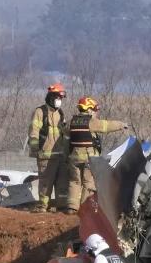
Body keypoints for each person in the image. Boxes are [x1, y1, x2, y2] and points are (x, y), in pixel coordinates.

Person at [64, 96, 127, 213]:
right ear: (88, 109)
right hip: (88, 158)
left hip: (74, 158)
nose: (95, 113)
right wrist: (121, 125)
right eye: (94, 110)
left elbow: (64, 131)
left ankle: (72, 207)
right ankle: (84, 209)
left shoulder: (71, 122)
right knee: (88, 182)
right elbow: (106, 125)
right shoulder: (91, 122)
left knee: (74, 181)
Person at [27, 83, 68, 212]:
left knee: (62, 183)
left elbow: (65, 133)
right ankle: (42, 206)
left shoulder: (60, 113)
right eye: (57, 97)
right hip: (45, 155)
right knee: (46, 182)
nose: (59, 101)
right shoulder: (40, 112)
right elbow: (34, 131)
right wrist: (36, 149)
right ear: (51, 97)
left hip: (60, 155)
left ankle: (61, 206)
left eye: (61, 98)